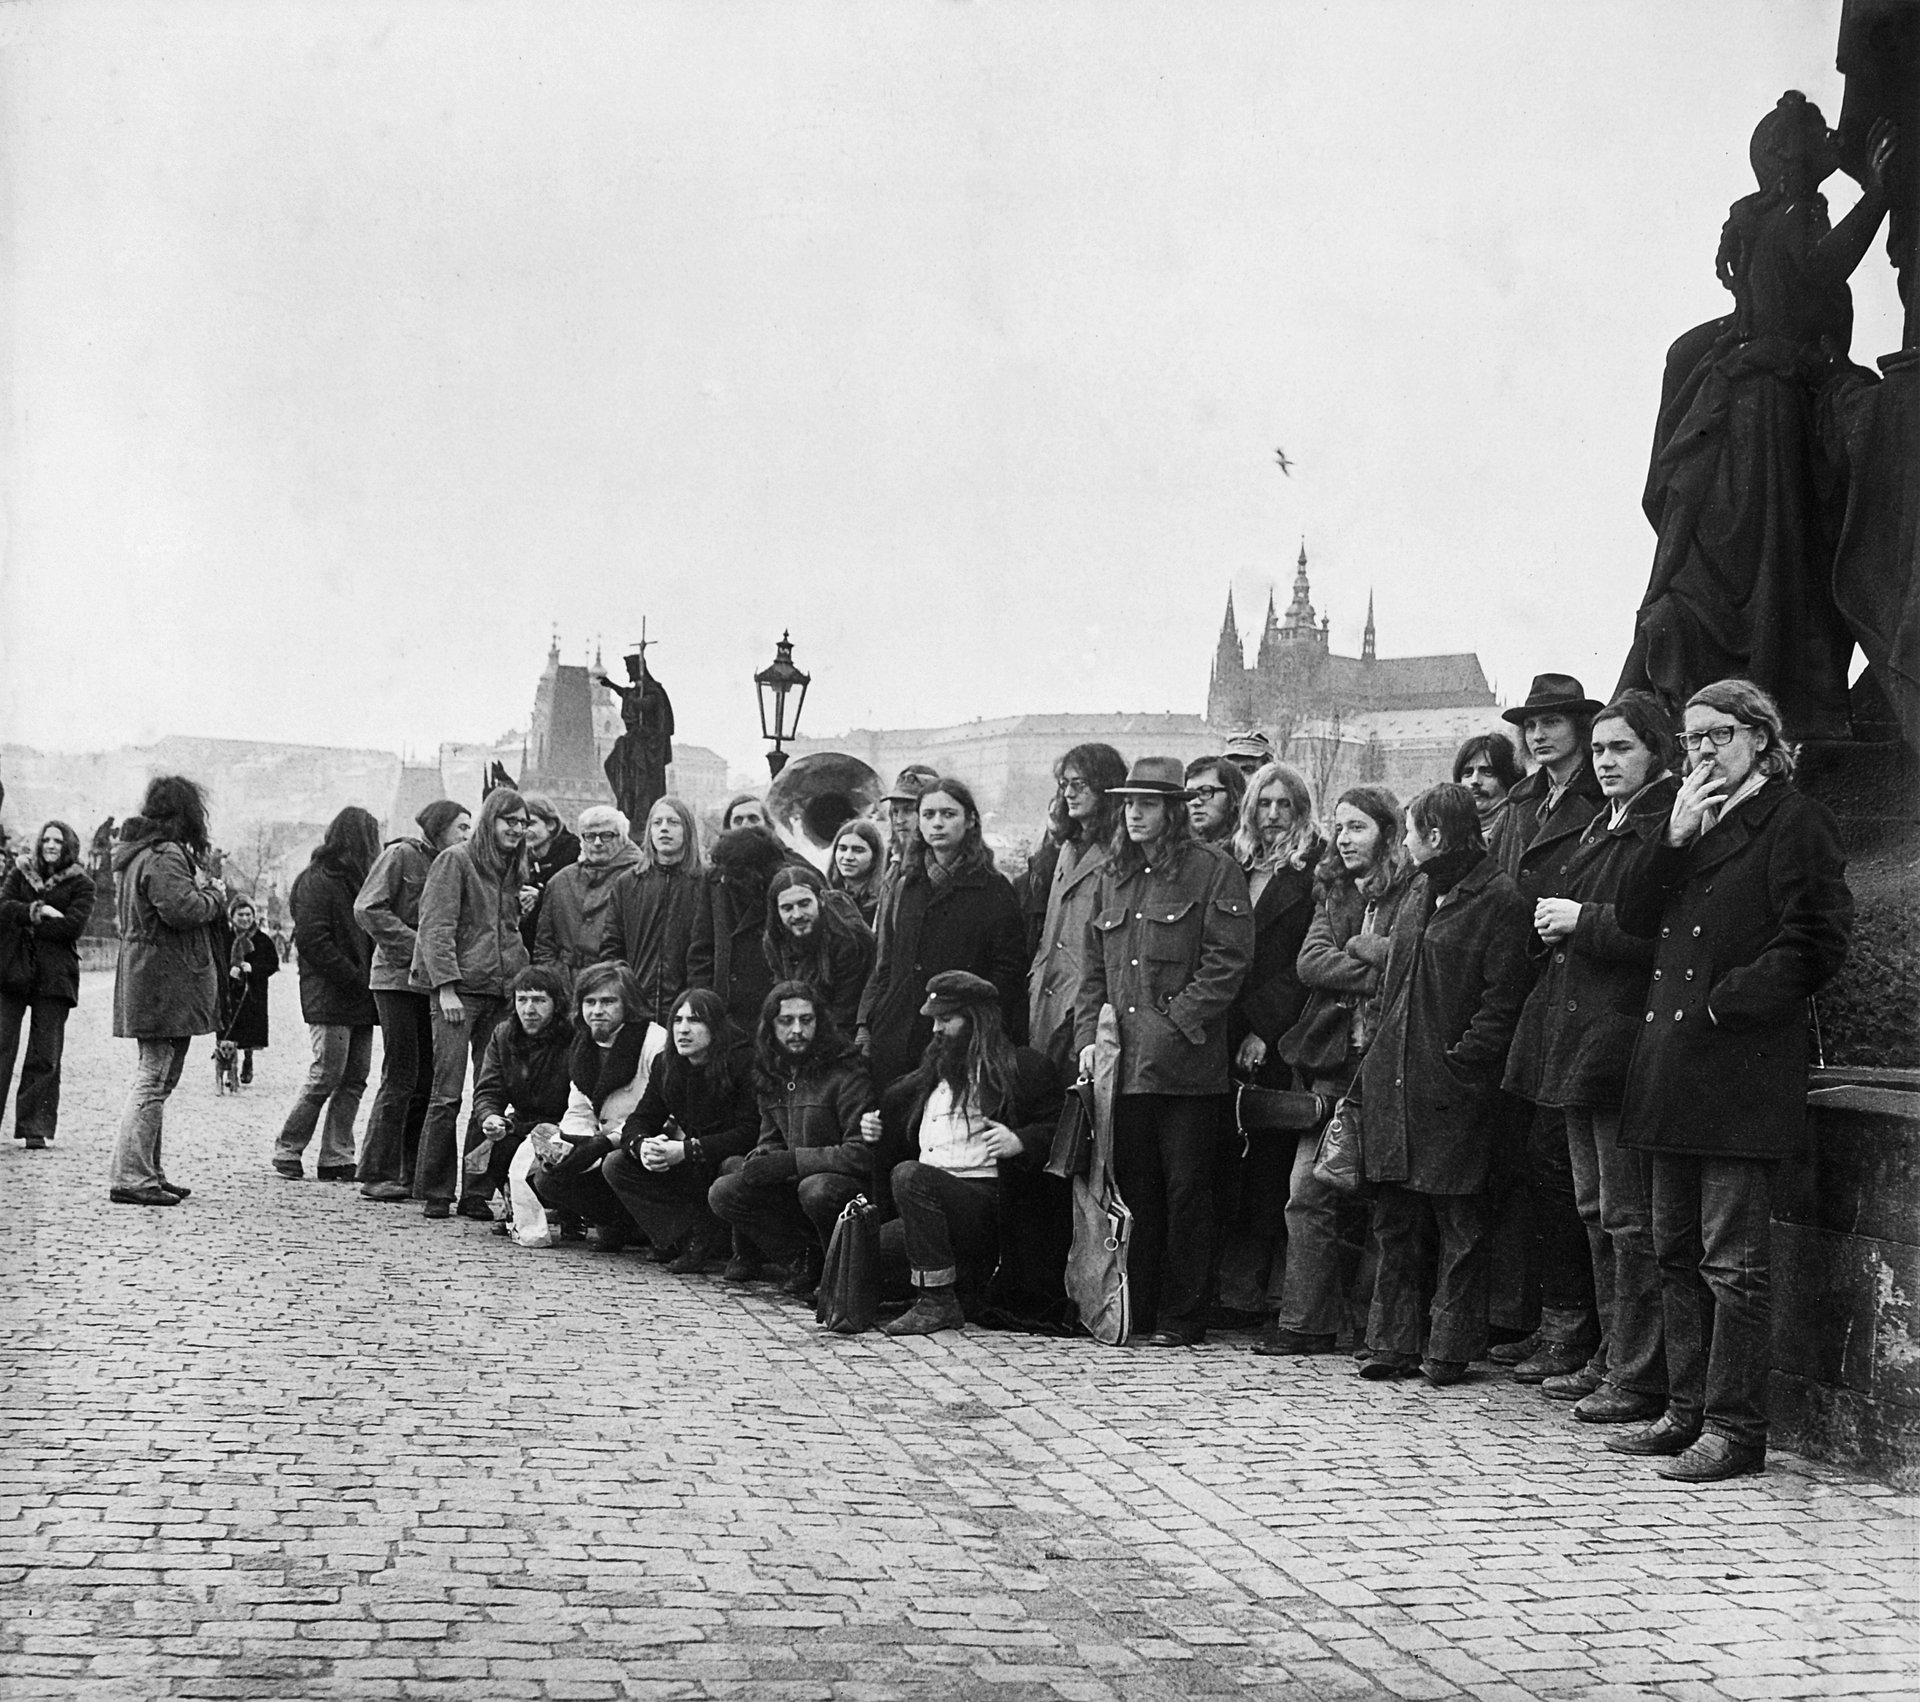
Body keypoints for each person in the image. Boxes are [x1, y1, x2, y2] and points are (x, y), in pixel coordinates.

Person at [1607, 678, 1852, 1482]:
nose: (1702, 750)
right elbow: (1637, 919)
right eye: (1691, 739)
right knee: (1673, 1251)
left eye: (1717, 734)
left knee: (1732, 1263)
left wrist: (1725, 1006)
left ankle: (1734, 1428)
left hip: (1737, 1067)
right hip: (1673, 1071)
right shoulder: (1687, 816)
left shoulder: (1793, 819)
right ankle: (1684, 1413)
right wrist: (1669, 838)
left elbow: (1816, 939)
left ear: (1760, 736)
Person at [1504, 690, 1679, 1424]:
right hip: (1575, 1038)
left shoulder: (1662, 827)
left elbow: (1662, 935)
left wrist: (1583, 922)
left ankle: (1635, 1373)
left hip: (1617, 1042)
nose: (1606, 762)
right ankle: (1609, 1356)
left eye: (1621, 750)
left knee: (1627, 1219)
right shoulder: (1603, 826)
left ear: (1653, 754)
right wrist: (1550, 927)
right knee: (1594, 1208)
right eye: (1601, 750)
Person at [1351, 783, 1533, 1385]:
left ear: (1434, 836)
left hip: (1453, 1089)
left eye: (1409, 832)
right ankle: (1391, 1343)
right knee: (1395, 1220)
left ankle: (1450, 1348)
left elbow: (1502, 999)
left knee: (1460, 1223)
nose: (1403, 843)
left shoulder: (1499, 897)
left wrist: (1464, 1063)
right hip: (1397, 1082)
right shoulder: (1420, 892)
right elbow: (1395, 986)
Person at [1074, 756, 1254, 1346]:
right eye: (1128, 805)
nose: (1134, 815)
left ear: (1173, 811)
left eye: (1146, 805)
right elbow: (1093, 975)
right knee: (1136, 1191)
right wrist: (1086, 1043)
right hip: (1122, 1067)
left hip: (1185, 1067)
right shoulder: (1111, 877)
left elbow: (1227, 962)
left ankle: (1184, 1315)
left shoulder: (1212, 871)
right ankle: (1140, 1308)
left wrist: (1175, 1023)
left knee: (1186, 1192)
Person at [1261, 786, 1415, 1357]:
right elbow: (1309, 963)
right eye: (1341, 828)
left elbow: (1412, 960)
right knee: (1308, 1192)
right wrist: (1368, 952)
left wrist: (1364, 953)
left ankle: (1376, 1331)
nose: (1346, 839)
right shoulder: (1333, 890)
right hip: (1332, 1062)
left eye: (1358, 828)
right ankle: (1305, 1323)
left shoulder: (1415, 888)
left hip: (1388, 1063)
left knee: (1382, 1201)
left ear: (1387, 832)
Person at [1489, 672, 1609, 1387]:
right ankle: (1556, 1320)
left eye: (1554, 721)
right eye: (1531, 723)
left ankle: (1575, 1330)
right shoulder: (1524, 801)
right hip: (1528, 991)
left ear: (1581, 727)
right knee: (1538, 1162)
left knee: (1563, 1165)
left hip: (1571, 985)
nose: (1539, 734)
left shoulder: (1595, 802)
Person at [865, 971, 1062, 1335]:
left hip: (985, 1205)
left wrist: (1022, 1141)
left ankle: (936, 1301)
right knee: (860, 1255)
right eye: (934, 1021)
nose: (937, 1030)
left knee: (910, 1175)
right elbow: (895, 1131)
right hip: (927, 1208)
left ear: (977, 1022)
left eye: (947, 1020)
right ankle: (947, 1287)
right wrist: (873, 1131)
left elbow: (1062, 1129)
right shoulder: (925, 1080)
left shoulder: (1022, 1069)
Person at [1214, 762, 1324, 1324]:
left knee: (1271, 1159)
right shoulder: (1234, 863)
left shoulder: (1312, 871)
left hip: (1278, 1030)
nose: (1274, 815)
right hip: (1223, 1023)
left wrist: (1263, 1027)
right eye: (1265, 804)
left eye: (1285, 804)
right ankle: (1235, 1285)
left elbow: (1303, 964)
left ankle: (1259, 1290)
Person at [858, 776, 1028, 1092]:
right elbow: (888, 963)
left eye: (948, 815)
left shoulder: (994, 889)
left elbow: (1008, 971)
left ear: (970, 820)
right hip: (896, 1040)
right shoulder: (906, 884)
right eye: (929, 815)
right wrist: (874, 1024)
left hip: (960, 1044)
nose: (937, 823)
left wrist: (976, 1027)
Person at [410, 787, 533, 1219]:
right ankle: (436, 1190)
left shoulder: (513, 868)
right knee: (446, 1095)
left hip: (501, 994)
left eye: (522, 823)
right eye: (509, 821)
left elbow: (504, 929)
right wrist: (445, 986)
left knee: (490, 1098)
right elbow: (436, 927)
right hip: (459, 993)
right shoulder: (456, 861)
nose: (516, 830)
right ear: (490, 820)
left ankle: (476, 1192)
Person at [708, 981, 875, 1295]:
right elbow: (770, 1137)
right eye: (786, 1021)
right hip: (795, 1182)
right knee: (726, 1187)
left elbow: (861, 1154)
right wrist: (764, 1156)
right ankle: (802, 1258)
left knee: (816, 1189)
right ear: (771, 1027)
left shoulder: (846, 1072)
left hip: (843, 1189)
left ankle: (836, 1269)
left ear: (819, 1022)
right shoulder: (772, 1072)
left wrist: (792, 1161)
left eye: (806, 1020)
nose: (796, 1030)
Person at [108, 777, 227, 1206]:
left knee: (158, 1077)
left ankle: (148, 1172)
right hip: (163, 976)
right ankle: (132, 1177)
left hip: (153, 974)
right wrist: (215, 895)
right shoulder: (165, 855)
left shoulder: (142, 853)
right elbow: (183, 910)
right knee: (153, 1077)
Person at [353, 800, 471, 1202]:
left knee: (425, 1078)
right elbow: (368, 908)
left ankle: (411, 1172)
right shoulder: (401, 855)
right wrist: (418, 945)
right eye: (461, 827)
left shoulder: (455, 864)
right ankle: (375, 1170)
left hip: (431, 982)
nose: (467, 835)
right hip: (396, 979)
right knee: (401, 1073)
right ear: (437, 828)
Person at [601, 986, 758, 1271]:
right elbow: (640, 1119)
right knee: (616, 1163)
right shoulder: (666, 1063)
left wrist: (689, 1150)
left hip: (728, 1158)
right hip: (691, 1165)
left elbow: (749, 1132)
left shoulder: (743, 1062)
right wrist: (642, 1146)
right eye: (677, 1020)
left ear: (716, 1027)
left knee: (735, 1167)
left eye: (695, 1020)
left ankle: (745, 1253)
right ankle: (688, 1237)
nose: (683, 1030)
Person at [272, 807, 381, 1182]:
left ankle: (336, 1155)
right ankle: (288, 1147)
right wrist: (356, 976)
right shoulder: (318, 880)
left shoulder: (357, 880)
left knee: (355, 1077)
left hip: (359, 994)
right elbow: (313, 941)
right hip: (332, 993)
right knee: (327, 1074)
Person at [519, 961, 650, 1246]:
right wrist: (568, 1144)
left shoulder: (653, 1043)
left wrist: (606, 1143)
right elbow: (579, 1109)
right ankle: (614, 1222)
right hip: (602, 1142)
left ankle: (646, 1226)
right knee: (548, 1177)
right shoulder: (583, 1044)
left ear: (628, 1004)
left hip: (643, 1146)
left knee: (614, 1163)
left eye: (608, 1001)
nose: (597, 1011)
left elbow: (661, 1115)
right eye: (590, 1002)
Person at [1027, 744, 1127, 1072]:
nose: (1069, 793)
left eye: (1079, 784)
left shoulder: (1120, 852)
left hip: (1084, 1000)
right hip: (1045, 992)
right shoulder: (1066, 847)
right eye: (1064, 784)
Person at [0, 820, 96, 1150]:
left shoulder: (81, 883)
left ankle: (34, 1127)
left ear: (68, 846)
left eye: (58, 841)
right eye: (46, 840)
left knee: (45, 1054)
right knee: (0, 1045)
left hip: (54, 977)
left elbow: (72, 926)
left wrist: (23, 920)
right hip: (11, 971)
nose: (51, 845)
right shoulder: (20, 871)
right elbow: (2, 907)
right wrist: (38, 911)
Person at [463, 963, 574, 1210]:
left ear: (556, 1004)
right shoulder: (503, 1035)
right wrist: (490, 1116)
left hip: (566, 1125)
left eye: (539, 1000)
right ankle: (513, 1203)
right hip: (521, 1122)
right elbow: (488, 1090)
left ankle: (569, 1210)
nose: (529, 1009)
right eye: (522, 999)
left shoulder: (574, 1037)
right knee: (494, 1139)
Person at [599, 795, 703, 1028]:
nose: (664, 829)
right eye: (657, 823)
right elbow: (612, 947)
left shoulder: (705, 884)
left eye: (673, 822)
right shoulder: (628, 883)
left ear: (687, 830)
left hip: (688, 1009)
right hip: (636, 1006)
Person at [687, 826, 789, 1034]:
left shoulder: (780, 887)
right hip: (726, 1010)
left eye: (734, 873)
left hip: (769, 1007)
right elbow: (701, 947)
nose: (725, 879)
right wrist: (705, 1002)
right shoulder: (716, 882)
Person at [533, 804, 642, 987]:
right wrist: (557, 980)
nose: (597, 843)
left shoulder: (638, 879)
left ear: (623, 838)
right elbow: (544, 945)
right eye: (590, 836)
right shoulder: (561, 881)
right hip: (564, 986)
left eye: (606, 835)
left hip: (615, 986)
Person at [763, 864, 876, 1035]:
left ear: (821, 900)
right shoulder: (775, 939)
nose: (797, 914)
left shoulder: (848, 939)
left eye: (804, 904)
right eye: (787, 908)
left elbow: (846, 1011)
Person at [220, 895, 279, 1086]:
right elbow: (216, 961)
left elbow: (272, 964)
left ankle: (248, 1059)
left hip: (253, 992)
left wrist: (253, 969)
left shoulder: (262, 940)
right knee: (228, 1028)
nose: (245, 919)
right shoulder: (225, 938)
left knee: (249, 1030)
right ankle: (229, 1069)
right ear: (232, 916)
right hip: (229, 991)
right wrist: (229, 971)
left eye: (248, 914)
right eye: (240, 915)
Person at [516, 792, 579, 955]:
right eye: (521, 825)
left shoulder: (574, 855)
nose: (524, 831)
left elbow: (576, 900)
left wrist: (542, 896)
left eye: (530, 824)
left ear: (550, 825)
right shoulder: (521, 858)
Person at [876, 764, 940, 904]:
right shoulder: (892, 861)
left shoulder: (939, 867)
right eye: (895, 811)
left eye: (909, 810)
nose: (899, 820)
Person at [1452, 732, 1523, 844]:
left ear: (1508, 778)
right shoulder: (1449, 837)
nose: (1475, 781)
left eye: (1488, 772)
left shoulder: (1520, 832)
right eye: (1467, 773)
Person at [826, 818, 886, 928]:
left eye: (858, 850)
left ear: (875, 857)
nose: (848, 857)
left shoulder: (884, 899)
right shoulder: (824, 895)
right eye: (842, 849)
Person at [1184, 756, 1247, 849]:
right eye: (1189, 793)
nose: (1195, 802)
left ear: (1233, 796)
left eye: (1206, 792)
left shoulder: (1248, 852)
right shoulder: (1177, 851)